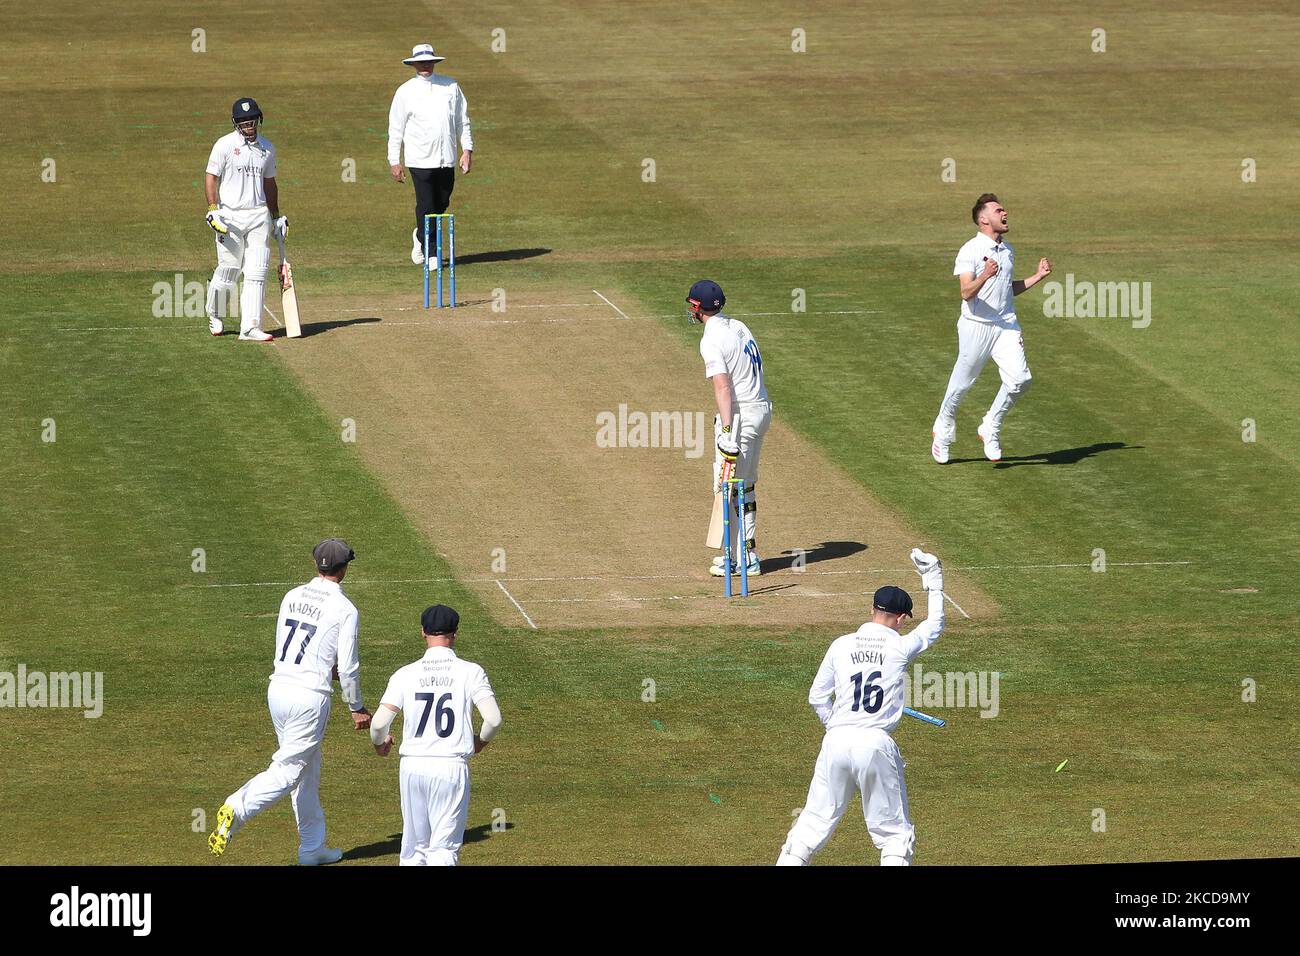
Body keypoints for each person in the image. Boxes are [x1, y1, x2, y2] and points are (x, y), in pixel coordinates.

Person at [777, 549, 944, 866]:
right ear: (901, 619)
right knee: (894, 837)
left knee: (810, 827)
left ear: (872, 610)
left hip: (836, 742)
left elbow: (817, 696)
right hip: (875, 743)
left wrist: (834, 726)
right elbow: (934, 626)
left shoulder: (840, 645)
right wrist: (934, 580)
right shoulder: (900, 645)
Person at [209, 539, 371, 864]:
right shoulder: (346, 609)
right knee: (288, 770)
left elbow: (293, 642)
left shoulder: (291, 596)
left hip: (279, 689)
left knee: (306, 772)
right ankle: (235, 809)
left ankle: (312, 849)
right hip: (309, 698)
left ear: (317, 566)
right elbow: (349, 666)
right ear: (344, 569)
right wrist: (356, 707)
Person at [369, 604, 501, 866]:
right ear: (455, 634)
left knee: (413, 849)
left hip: (412, 767)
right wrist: (478, 744)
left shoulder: (405, 673)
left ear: (423, 632)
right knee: (443, 849)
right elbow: (494, 719)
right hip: (449, 766)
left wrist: (379, 744)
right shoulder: (470, 671)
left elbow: (378, 724)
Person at [931, 194, 1052, 463]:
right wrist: (984, 274)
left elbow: (1007, 290)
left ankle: (991, 426)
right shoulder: (970, 250)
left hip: (1006, 325)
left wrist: (1037, 277)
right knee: (962, 385)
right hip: (976, 326)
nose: (1005, 212)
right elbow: (965, 292)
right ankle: (942, 429)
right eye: (999, 210)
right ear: (984, 219)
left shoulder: (1008, 250)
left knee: (1021, 379)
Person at [687, 280, 772, 578]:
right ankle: (739, 556)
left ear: (697, 308)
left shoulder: (710, 340)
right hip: (760, 409)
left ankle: (744, 558)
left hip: (740, 418)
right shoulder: (738, 325)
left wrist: (725, 430)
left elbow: (722, 386)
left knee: (731, 488)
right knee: (741, 486)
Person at [203, 97, 287, 341]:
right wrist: (212, 208)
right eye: (242, 121)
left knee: (257, 270)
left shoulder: (268, 148)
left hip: (258, 214)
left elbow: (270, 183)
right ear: (235, 123)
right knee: (229, 269)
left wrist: (276, 216)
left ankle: (250, 327)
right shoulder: (224, 145)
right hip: (229, 215)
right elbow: (211, 177)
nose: (247, 124)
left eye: (251, 120)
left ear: (258, 120)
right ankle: (215, 312)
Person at [387, 44, 474, 265]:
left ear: (434, 62)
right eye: (421, 62)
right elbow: (395, 128)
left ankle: (419, 236)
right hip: (420, 159)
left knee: (441, 204)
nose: (425, 65)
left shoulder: (450, 86)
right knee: (426, 206)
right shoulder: (405, 91)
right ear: (413, 64)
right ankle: (432, 253)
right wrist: (394, 161)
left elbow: (462, 121)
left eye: (429, 61)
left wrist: (467, 150)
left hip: (446, 159)